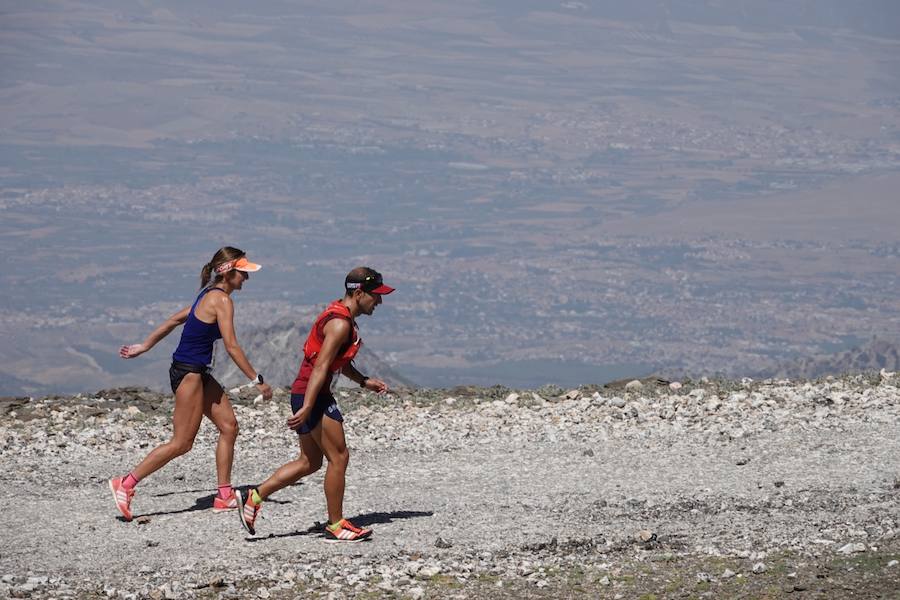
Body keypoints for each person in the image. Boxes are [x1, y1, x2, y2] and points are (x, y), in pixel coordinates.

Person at [109, 247, 273, 521]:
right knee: (182, 443)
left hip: (197, 372)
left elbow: (176, 319)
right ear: (229, 273)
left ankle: (223, 495)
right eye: (243, 273)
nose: (246, 278)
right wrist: (257, 380)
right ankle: (125, 483)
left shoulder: (207, 294)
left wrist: (145, 346)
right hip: (189, 374)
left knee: (229, 427)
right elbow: (232, 346)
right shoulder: (221, 300)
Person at [237, 267, 394, 541]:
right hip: (314, 395)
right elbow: (321, 366)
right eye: (375, 296)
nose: (379, 302)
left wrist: (363, 380)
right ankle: (336, 524)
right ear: (359, 293)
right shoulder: (340, 323)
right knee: (339, 457)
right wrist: (309, 406)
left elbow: (335, 362)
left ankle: (254, 496)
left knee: (309, 461)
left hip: (306, 392)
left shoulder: (340, 316)